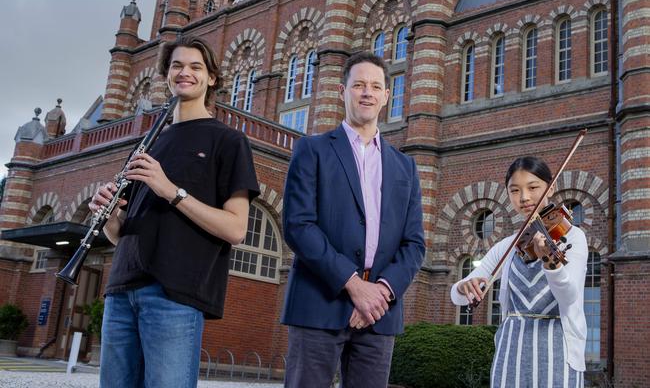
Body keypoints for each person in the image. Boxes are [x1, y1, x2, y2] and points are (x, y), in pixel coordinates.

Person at [89, 35, 259, 388]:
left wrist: (170, 190)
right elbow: (120, 235)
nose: (186, 73)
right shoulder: (149, 142)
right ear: (167, 74)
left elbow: (236, 229)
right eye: (177, 65)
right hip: (121, 291)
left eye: (196, 66)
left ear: (211, 78)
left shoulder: (228, 141)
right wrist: (109, 216)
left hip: (174, 295)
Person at [281, 51, 425, 388]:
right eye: (358, 84)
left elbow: (414, 243)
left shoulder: (406, 166)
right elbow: (298, 226)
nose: (367, 92)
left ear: (387, 95)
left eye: (375, 86)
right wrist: (353, 284)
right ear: (343, 91)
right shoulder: (311, 150)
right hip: (319, 303)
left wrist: (380, 293)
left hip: (379, 313)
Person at [451, 156, 588, 387]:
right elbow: (457, 294)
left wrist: (550, 262)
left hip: (558, 346)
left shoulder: (572, 236)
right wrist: (465, 286)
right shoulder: (507, 246)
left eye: (533, 187)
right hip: (510, 348)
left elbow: (570, 295)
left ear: (550, 187)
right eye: (514, 190)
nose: (524, 198)